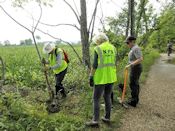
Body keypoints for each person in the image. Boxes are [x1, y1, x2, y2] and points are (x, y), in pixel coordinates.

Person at [86, 33, 117, 126]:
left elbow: (95, 65)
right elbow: (114, 62)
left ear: (98, 41)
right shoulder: (113, 48)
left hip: (100, 77)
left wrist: (91, 76)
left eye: (97, 42)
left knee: (96, 98)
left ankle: (95, 121)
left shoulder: (98, 49)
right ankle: (107, 118)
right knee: (107, 96)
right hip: (111, 77)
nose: (96, 43)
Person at [125, 36, 143, 107]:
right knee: (134, 83)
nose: (127, 44)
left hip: (136, 68)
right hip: (134, 68)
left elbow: (140, 59)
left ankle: (134, 101)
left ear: (132, 42)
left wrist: (130, 65)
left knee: (133, 84)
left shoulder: (136, 48)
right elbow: (134, 59)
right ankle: (135, 99)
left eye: (128, 42)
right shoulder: (132, 48)